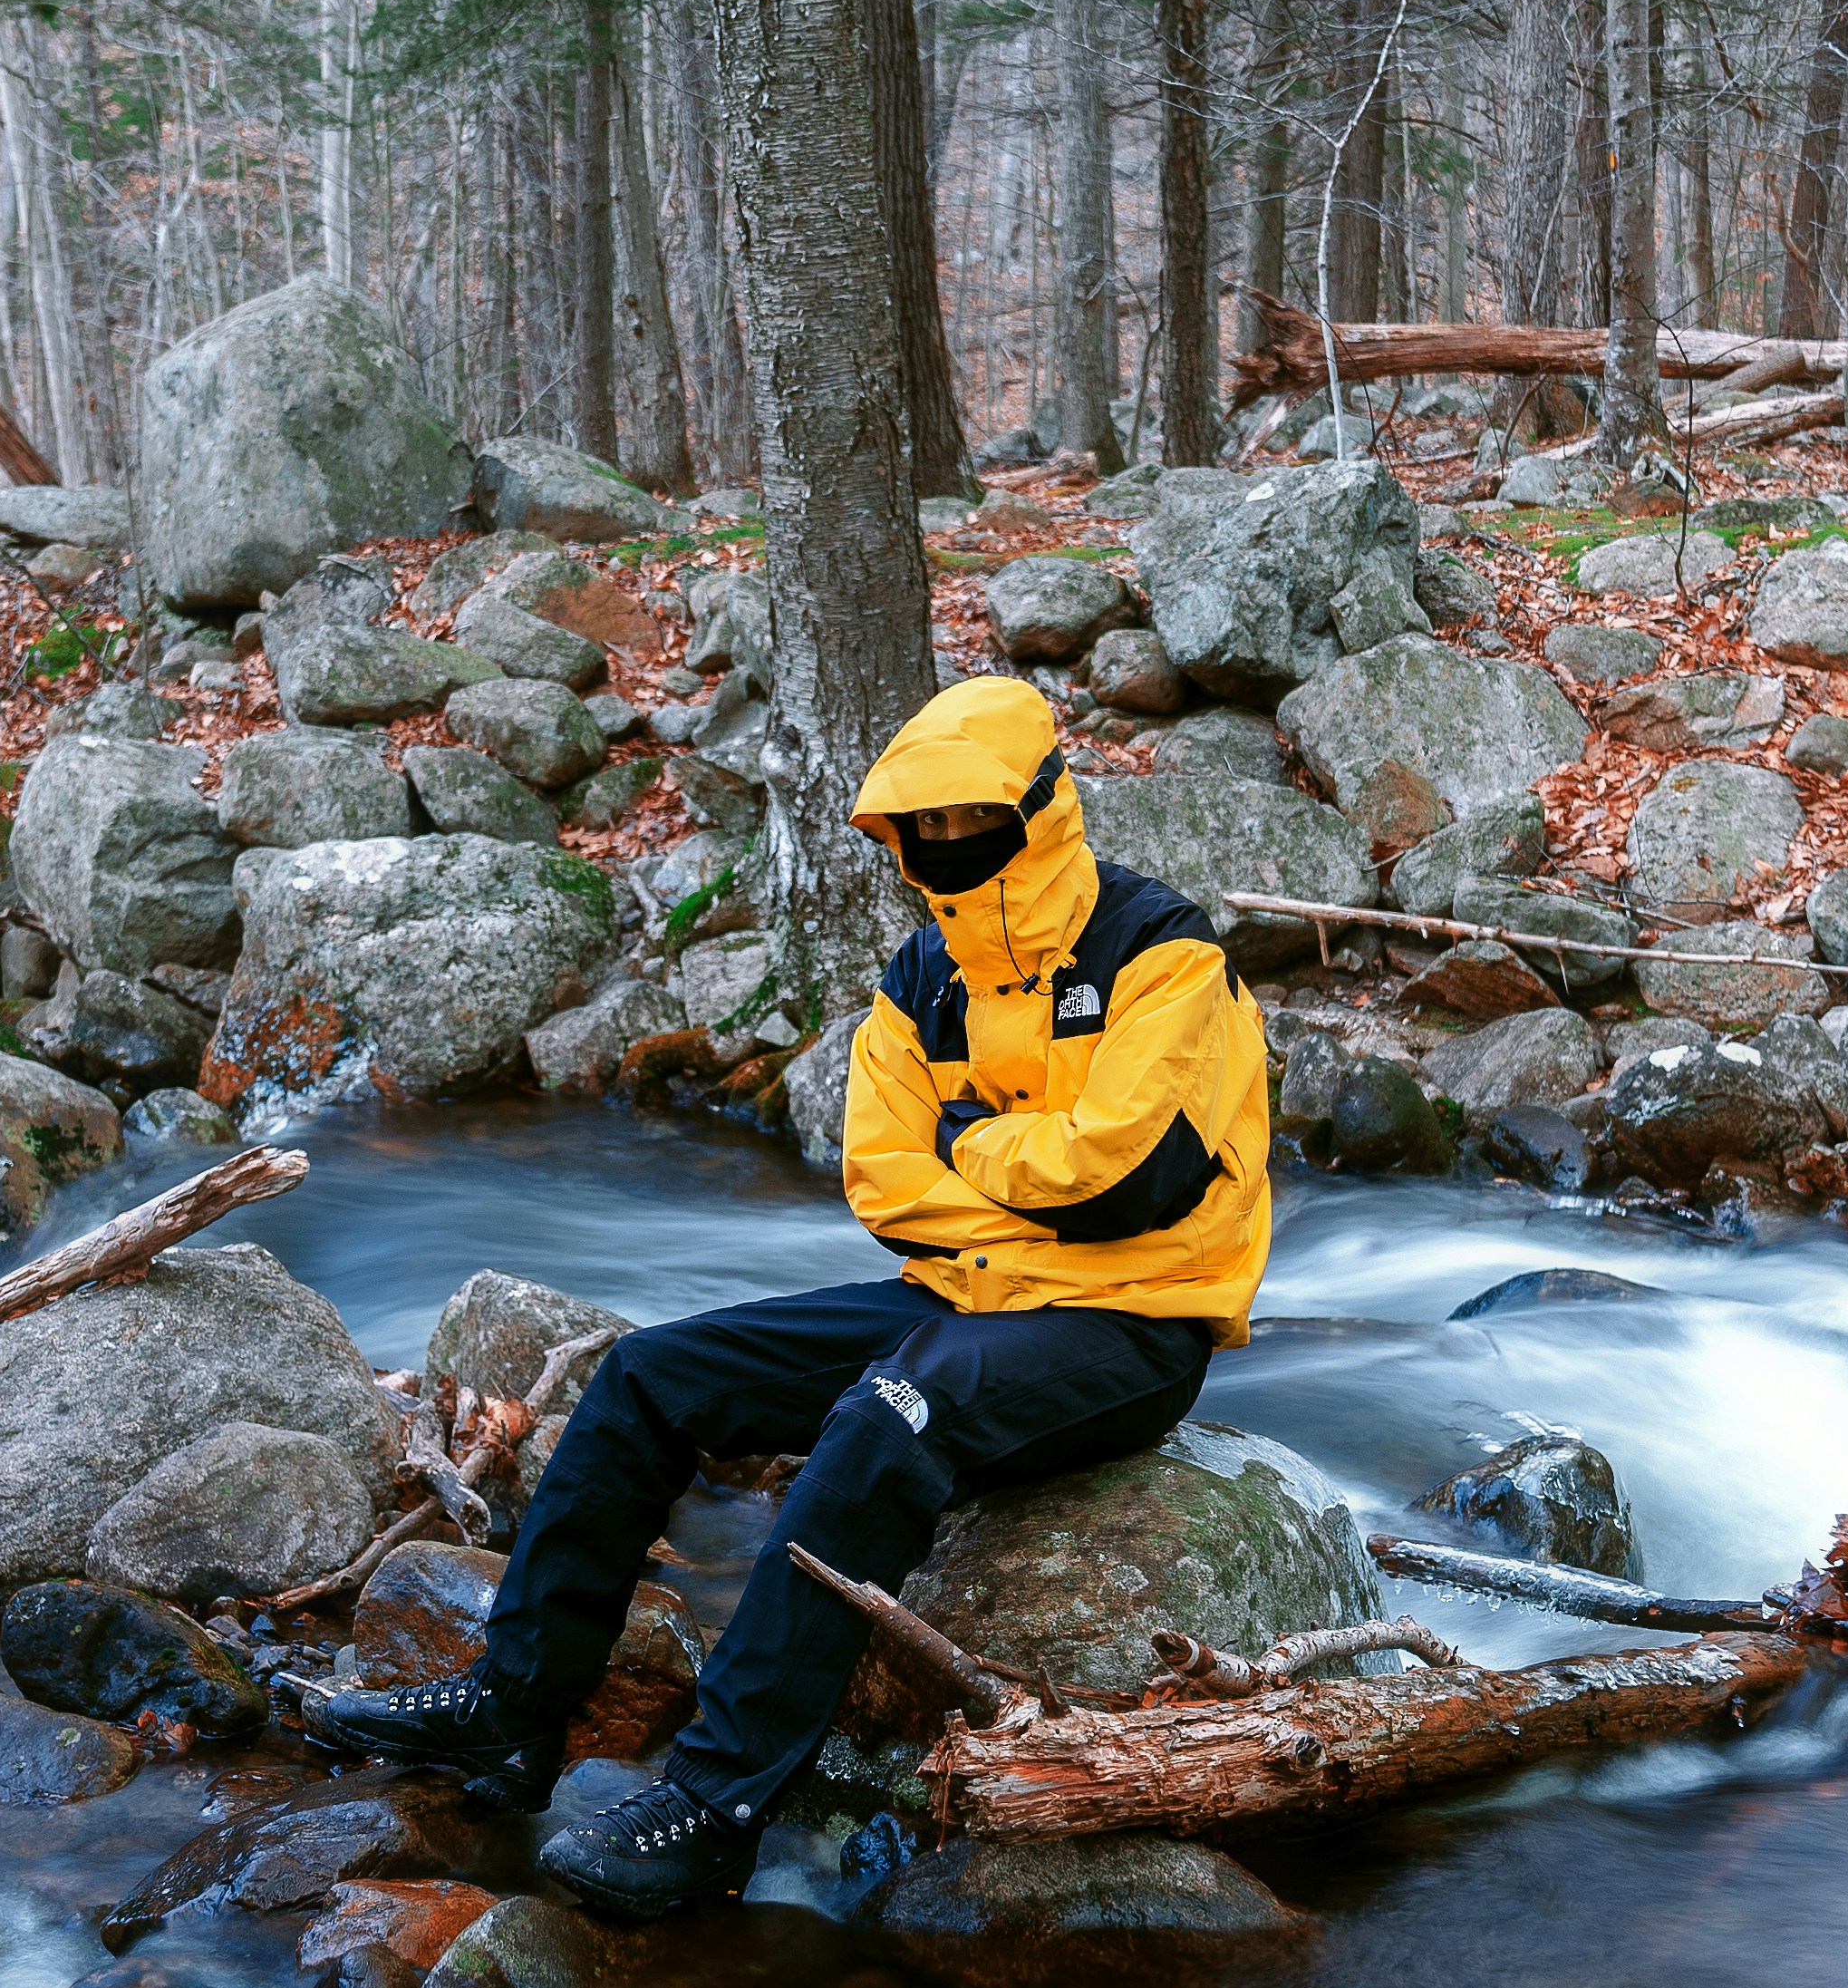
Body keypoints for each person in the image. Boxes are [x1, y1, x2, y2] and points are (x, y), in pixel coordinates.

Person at [292, 675, 1274, 1916]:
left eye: (974, 820)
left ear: (1040, 810)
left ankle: (714, 1803)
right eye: (926, 826)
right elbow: (880, 1179)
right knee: (650, 1375)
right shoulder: (923, 978)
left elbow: (1125, 1184)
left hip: (1135, 1322)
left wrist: (967, 1146)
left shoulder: (1159, 954)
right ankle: (511, 1708)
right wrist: (1019, 1173)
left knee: (888, 1417)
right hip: (967, 1295)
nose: (947, 847)